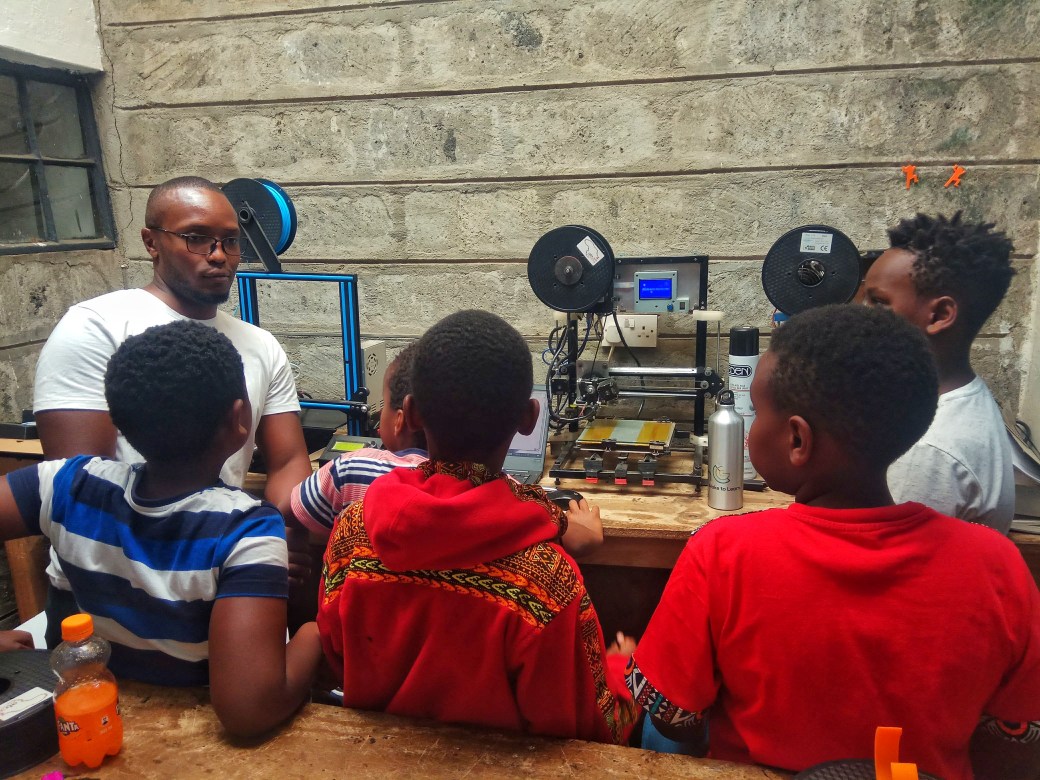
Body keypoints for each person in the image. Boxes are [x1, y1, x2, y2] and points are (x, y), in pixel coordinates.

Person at [627, 305, 1040, 779]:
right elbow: (1016, 735)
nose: (751, 427)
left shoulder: (722, 551)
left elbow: (674, 718)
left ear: (798, 440)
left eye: (757, 413)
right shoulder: (997, 563)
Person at [317, 309, 636, 744]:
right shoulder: (545, 579)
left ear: (410, 413)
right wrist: (624, 671)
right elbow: (590, 729)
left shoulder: (352, 534)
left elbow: (337, 655)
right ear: (528, 419)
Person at [1, 322, 323, 737]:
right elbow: (248, 709)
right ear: (239, 418)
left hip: (97, 722)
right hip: (185, 739)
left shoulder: (64, 484)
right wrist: (314, 637)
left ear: (117, 419)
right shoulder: (246, 530)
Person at [33, 176, 311, 643]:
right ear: (151, 242)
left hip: (216, 584)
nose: (218, 254)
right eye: (197, 238)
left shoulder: (261, 346)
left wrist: (274, 539)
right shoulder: (96, 326)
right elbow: (83, 483)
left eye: (229, 242)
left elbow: (287, 460)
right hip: (104, 595)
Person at [861, 211, 1015, 532]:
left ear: (940, 315)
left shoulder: (925, 452)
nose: (858, 312)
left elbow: (887, 571)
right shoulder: (964, 394)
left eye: (877, 302)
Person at [282, 343, 429, 538]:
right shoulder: (476, 478)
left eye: (383, 405)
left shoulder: (352, 469)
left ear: (401, 419)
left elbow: (288, 512)